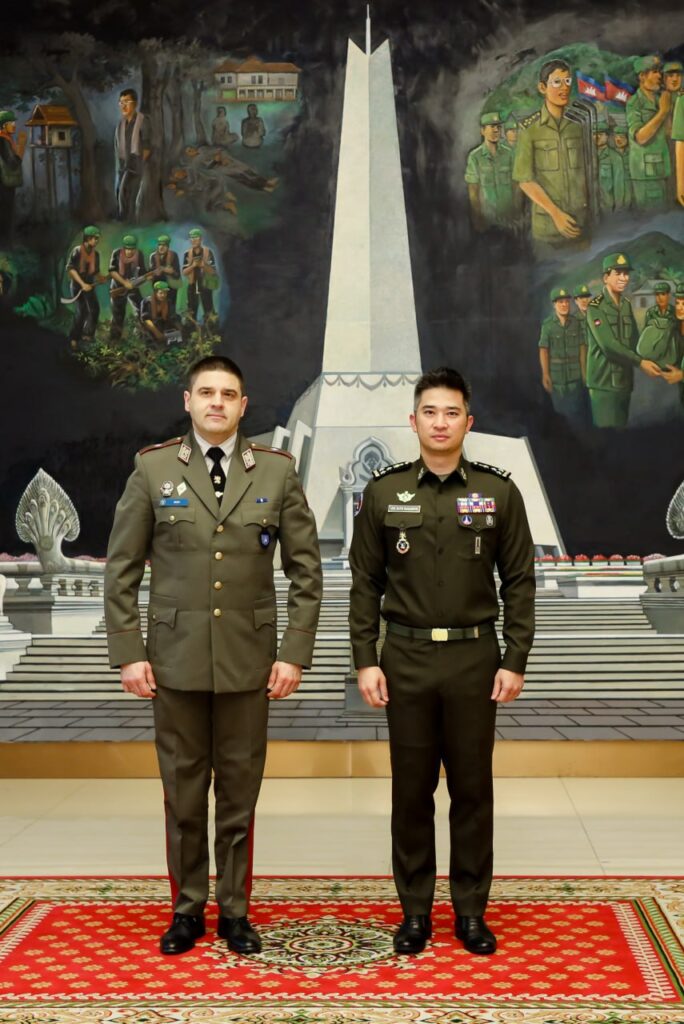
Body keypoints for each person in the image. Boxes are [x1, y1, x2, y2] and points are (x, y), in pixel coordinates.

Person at [104, 355, 322, 957]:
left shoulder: (275, 472)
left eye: (228, 394)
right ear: (188, 401)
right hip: (173, 661)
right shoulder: (153, 469)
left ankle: (234, 911)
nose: (217, 403)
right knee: (182, 792)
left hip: (250, 662)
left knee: (238, 793)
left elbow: (306, 572)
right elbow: (121, 570)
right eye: (207, 393)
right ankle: (186, 909)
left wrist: (293, 653)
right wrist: (129, 652)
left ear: (243, 406)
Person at [349, 367, 535, 957]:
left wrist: (515, 658)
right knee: (411, 790)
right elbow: (364, 582)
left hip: (474, 659)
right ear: (413, 420)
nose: (440, 422)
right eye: (430, 412)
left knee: (473, 789)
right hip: (404, 658)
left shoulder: (498, 493)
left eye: (451, 412)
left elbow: (520, 581)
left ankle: (471, 911)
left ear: (467, 422)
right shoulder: (385, 492)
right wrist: (365, 659)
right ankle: (415, 911)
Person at [513, 59, 589, 248]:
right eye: (557, 82)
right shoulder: (529, 130)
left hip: (579, 224)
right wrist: (555, 213)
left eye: (568, 81)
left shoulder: (576, 127)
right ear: (542, 87)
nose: (564, 88)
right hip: (547, 228)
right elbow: (524, 180)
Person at [586, 252, 662, 428]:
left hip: (624, 382)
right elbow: (608, 345)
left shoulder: (626, 304)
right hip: (603, 383)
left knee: (621, 429)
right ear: (606, 278)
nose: (624, 278)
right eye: (618, 273)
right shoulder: (595, 307)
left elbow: (635, 341)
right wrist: (640, 362)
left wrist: (656, 359)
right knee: (606, 434)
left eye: (626, 273)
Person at [626, 56, 671, 212]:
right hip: (646, 174)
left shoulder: (661, 100)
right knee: (651, 217)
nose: (660, 75)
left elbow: (669, 133)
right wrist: (663, 112)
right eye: (654, 71)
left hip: (663, 171)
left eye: (660, 71)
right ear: (642, 76)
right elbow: (640, 137)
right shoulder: (634, 103)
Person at [538, 287, 587, 423]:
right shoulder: (548, 325)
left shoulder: (576, 323)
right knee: (559, 413)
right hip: (556, 378)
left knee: (576, 412)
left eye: (566, 302)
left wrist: (584, 372)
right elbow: (543, 350)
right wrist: (545, 374)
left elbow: (582, 347)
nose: (564, 305)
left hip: (575, 376)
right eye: (560, 302)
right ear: (554, 305)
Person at [464, 112, 518, 230]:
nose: (496, 130)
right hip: (487, 219)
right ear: (482, 131)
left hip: (508, 218)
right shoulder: (475, 156)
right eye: (492, 127)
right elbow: (473, 191)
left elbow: (516, 186)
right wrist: (477, 218)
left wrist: (517, 213)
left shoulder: (509, 154)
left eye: (498, 127)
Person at [114, 88, 151, 222]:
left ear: (134, 104)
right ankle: (125, 219)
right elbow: (118, 147)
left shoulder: (142, 121)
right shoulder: (121, 125)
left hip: (137, 164)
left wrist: (140, 163)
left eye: (126, 102)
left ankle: (129, 219)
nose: (123, 106)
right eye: (121, 102)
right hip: (124, 165)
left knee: (129, 193)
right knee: (120, 191)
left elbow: (147, 146)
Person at [65, 225, 104, 347]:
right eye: (94, 238)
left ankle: (87, 335)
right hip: (78, 286)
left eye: (97, 238)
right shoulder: (77, 251)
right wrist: (82, 284)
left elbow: (95, 271)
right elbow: (71, 269)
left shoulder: (96, 254)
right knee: (82, 311)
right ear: (87, 238)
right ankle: (74, 338)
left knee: (95, 309)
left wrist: (100, 277)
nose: (96, 241)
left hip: (90, 286)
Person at [109, 233, 146, 340]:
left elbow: (143, 273)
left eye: (132, 249)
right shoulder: (116, 253)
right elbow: (112, 271)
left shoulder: (139, 254)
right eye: (127, 249)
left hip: (133, 286)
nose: (130, 251)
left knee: (141, 309)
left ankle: (141, 335)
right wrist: (125, 283)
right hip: (118, 286)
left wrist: (143, 279)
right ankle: (115, 340)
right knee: (118, 314)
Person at [0, 110, 26, 243]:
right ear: (3, 126)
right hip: (4, 183)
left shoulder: (6, 139)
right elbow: (13, 163)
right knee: (6, 211)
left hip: (4, 182)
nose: (15, 125)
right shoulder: (3, 140)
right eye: (11, 122)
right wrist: (21, 146)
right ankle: (5, 243)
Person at [182, 228, 218, 323]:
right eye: (191, 238)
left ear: (201, 239)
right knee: (191, 310)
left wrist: (203, 265)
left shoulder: (208, 252)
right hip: (192, 285)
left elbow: (213, 271)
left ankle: (210, 328)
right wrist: (193, 265)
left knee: (209, 310)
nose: (193, 240)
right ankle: (192, 328)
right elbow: (184, 272)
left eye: (196, 237)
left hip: (205, 284)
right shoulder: (187, 254)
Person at [595, 120, 628, 214]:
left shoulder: (615, 157)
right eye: (594, 134)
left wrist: (618, 208)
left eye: (600, 134)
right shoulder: (588, 155)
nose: (597, 137)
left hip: (608, 208)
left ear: (607, 136)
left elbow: (619, 186)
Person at [149, 234, 181, 314]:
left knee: (171, 310)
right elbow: (151, 273)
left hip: (170, 288)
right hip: (158, 287)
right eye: (159, 245)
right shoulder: (153, 256)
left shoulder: (173, 255)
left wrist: (171, 271)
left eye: (164, 245)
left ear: (168, 246)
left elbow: (177, 275)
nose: (161, 247)